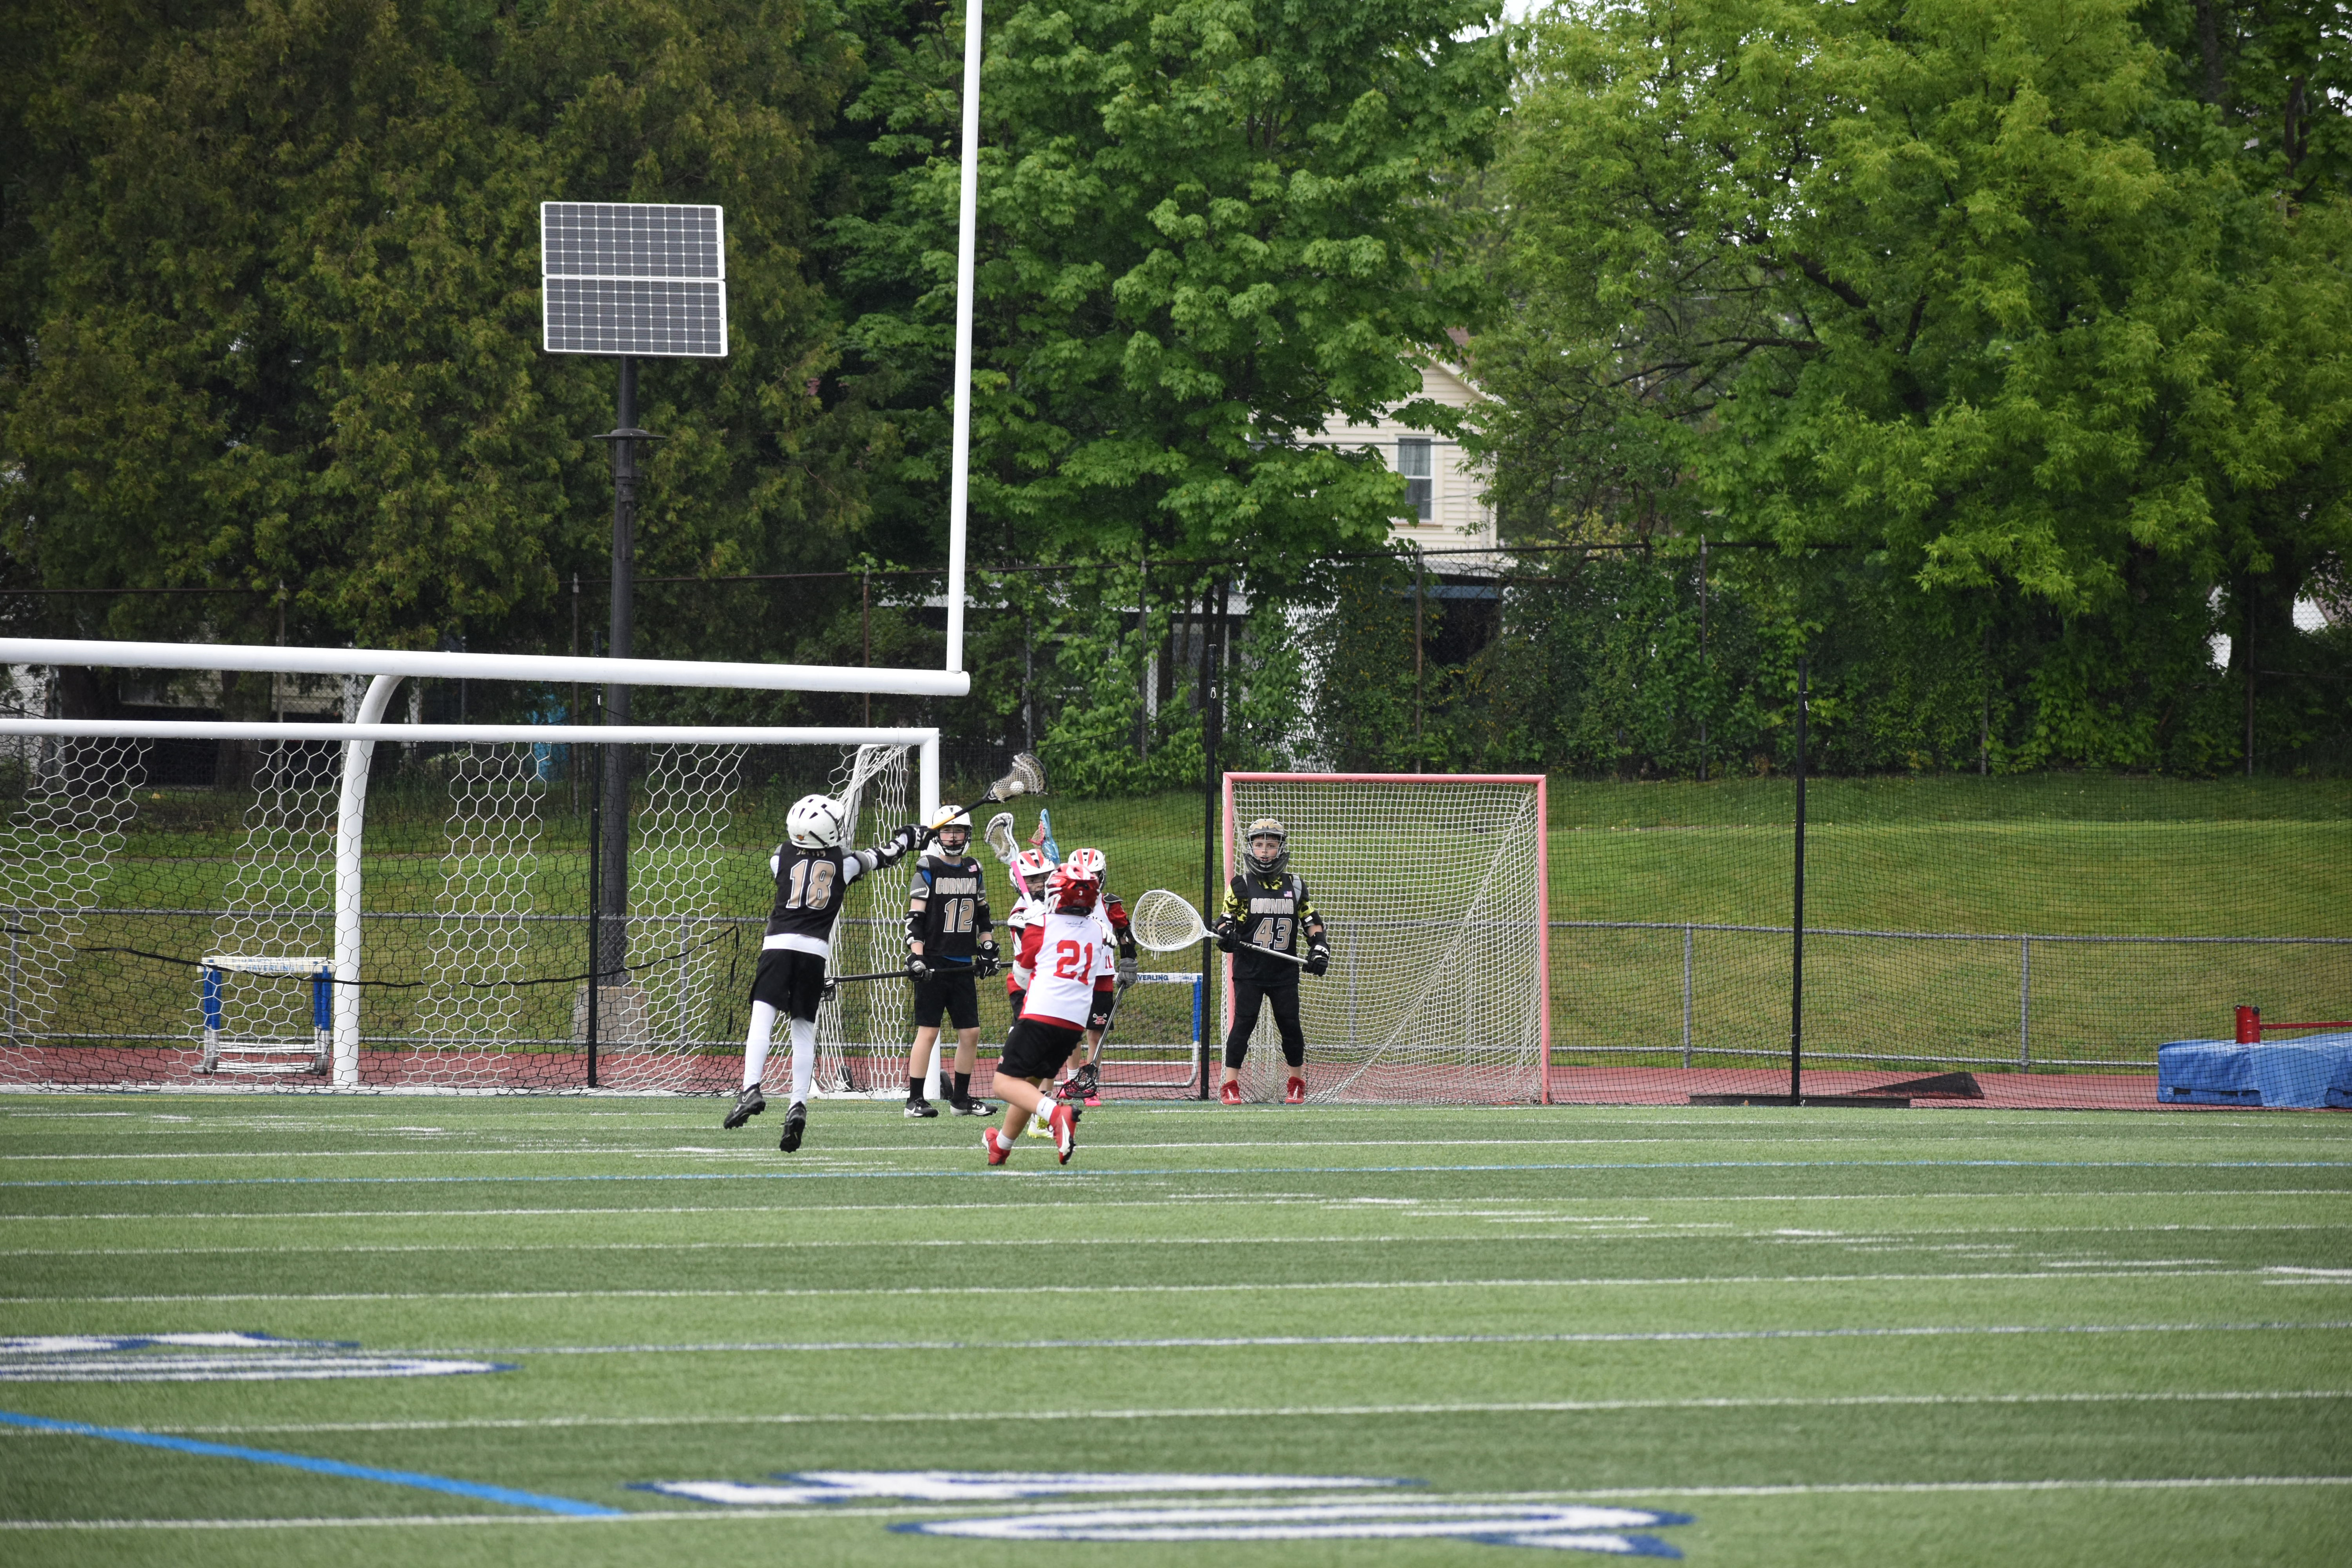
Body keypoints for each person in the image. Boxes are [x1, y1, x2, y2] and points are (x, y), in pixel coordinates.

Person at [724, 795, 924, 1151]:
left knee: (762, 1019)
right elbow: (883, 855)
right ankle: (797, 1105)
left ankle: (750, 1088)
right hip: (814, 953)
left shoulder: (779, 856)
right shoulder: (845, 862)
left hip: (777, 946)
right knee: (803, 1030)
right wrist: (909, 837)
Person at [982, 861, 1107, 1166]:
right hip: (1073, 1025)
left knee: (1004, 1084)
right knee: (1027, 1085)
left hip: (1042, 1015)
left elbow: (1022, 976)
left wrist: (1035, 927)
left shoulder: (1040, 925)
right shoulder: (1098, 930)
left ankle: (1056, 1114)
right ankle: (1001, 1146)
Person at [1215, 817, 1329, 1105]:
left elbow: (1311, 921)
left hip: (1283, 971)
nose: (1265, 851)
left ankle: (1296, 1083)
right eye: (1259, 845)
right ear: (1251, 848)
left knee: (1290, 1026)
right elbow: (1225, 921)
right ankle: (1230, 1084)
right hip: (1250, 970)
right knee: (1243, 1025)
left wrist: (1319, 948)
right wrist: (1226, 935)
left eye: (1271, 845)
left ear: (1281, 848)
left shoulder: (1295, 885)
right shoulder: (1241, 885)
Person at [904, 804, 999, 1117]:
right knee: (929, 1031)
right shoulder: (928, 866)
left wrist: (987, 947)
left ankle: (960, 1100)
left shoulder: (974, 869)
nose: (954, 837)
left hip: (962, 963)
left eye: (959, 831)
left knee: (970, 1032)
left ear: (967, 834)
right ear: (937, 834)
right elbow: (915, 919)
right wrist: (917, 956)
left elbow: (983, 915)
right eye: (947, 831)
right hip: (933, 962)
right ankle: (915, 1100)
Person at [1057, 845, 1136, 1106]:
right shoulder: (1061, 902)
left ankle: (1089, 1084)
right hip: (1073, 974)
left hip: (1101, 974)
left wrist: (1128, 960)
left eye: (1094, 876)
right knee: (1071, 1030)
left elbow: (1124, 932)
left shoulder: (1110, 903)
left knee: (1096, 1032)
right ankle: (1072, 1081)